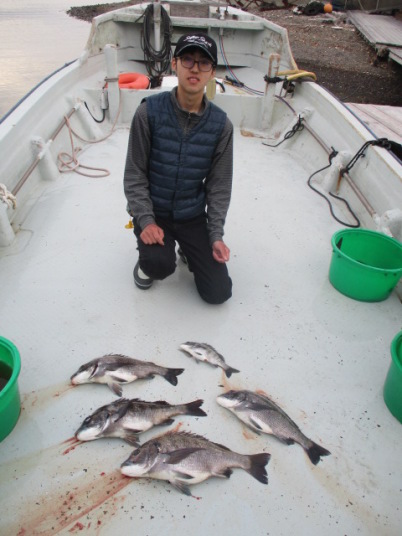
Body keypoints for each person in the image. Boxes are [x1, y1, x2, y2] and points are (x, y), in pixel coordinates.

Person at [124, 32, 233, 304]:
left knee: (218, 293)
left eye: (203, 63)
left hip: (191, 216)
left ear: (212, 72)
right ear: (174, 64)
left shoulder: (221, 126)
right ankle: (148, 257)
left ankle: (188, 247)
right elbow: (134, 175)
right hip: (155, 211)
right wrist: (146, 220)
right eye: (188, 60)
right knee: (158, 264)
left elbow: (219, 187)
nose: (195, 68)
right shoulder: (148, 112)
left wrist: (216, 236)